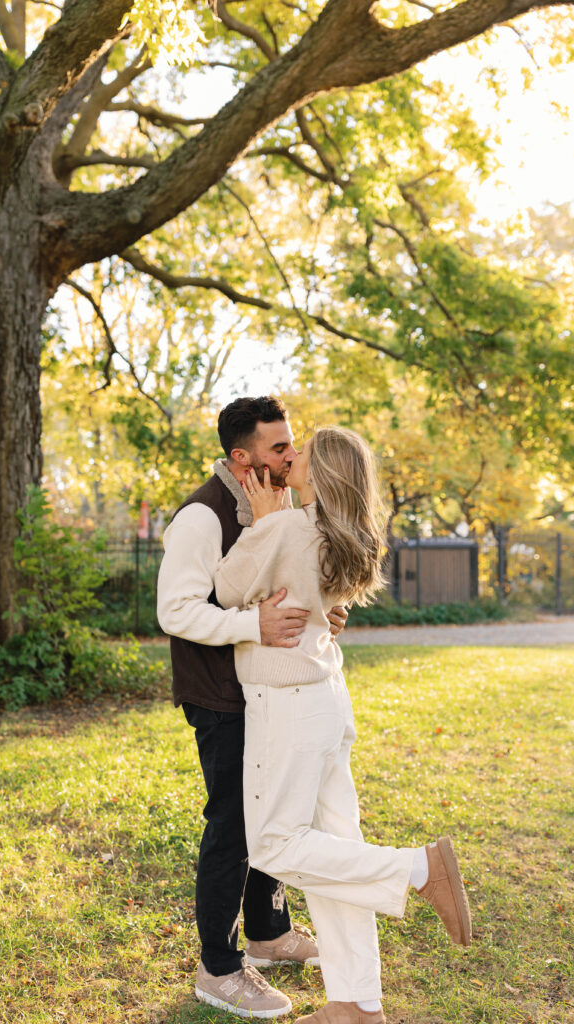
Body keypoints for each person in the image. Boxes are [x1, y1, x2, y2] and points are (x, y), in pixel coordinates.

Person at [213, 426, 472, 1024]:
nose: (291, 456)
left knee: (274, 846)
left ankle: (417, 868)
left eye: (302, 451)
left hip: (288, 705)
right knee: (335, 853)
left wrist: (258, 522)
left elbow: (224, 589)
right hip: (328, 701)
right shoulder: (347, 538)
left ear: (322, 472)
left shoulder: (286, 527)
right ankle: (356, 1004)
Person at [157, 397, 349, 1019]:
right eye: (278, 448)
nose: (292, 456)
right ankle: (218, 967)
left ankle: (267, 932)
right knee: (235, 825)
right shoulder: (200, 517)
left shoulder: (280, 502)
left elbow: (285, 582)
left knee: (279, 812)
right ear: (241, 458)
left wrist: (324, 610)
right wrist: (253, 624)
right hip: (220, 697)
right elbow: (176, 611)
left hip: (273, 690)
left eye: (292, 445)